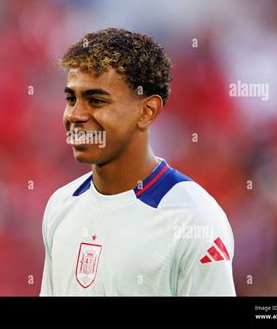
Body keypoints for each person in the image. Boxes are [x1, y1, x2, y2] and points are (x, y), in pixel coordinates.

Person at [40, 28, 235, 296]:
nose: (75, 115)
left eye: (95, 101)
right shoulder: (61, 206)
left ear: (147, 111)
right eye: (71, 99)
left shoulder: (194, 220)